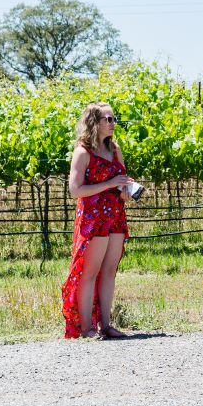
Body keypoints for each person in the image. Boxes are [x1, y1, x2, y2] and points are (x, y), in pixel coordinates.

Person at [62, 101, 138, 339]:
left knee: (109, 271)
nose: (113, 123)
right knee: (90, 272)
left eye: (114, 119)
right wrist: (109, 185)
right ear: (94, 122)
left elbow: (121, 179)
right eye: (108, 119)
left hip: (115, 214)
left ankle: (106, 325)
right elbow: (75, 191)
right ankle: (86, 329)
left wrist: (126, 189)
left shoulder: (115, 149)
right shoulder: (83, 152)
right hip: (94, 218)